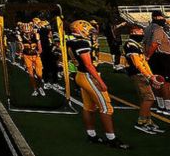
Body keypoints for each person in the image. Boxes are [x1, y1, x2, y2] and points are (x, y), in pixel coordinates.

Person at [67, 19, 129, 148]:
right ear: (81, 29)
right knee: (106, 107)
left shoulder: (72, 41)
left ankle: (91, 135)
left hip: (80, 74)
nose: (90, 32)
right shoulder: (81, 43)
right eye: (87, 29)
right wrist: (100, 81)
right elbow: (89, 65)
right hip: (88, 76)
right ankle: (111, 139)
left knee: (88, 107)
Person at [123, 24, 164, 134]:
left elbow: (144, 62)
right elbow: (137, 63)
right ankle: (141, 122)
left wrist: (151, 75)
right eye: (140, 31)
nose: (142, 33)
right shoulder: (130, 44)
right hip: (138, 74)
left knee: (145, 98)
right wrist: (148, 76)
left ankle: (147, 120)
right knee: (149, 98)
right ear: (133, 32)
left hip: (140, 73)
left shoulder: (135, 44)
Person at [144, 10, 170, 117]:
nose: (163, 19)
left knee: (156, 81)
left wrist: (147, 56)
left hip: (154, 57)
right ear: (157, 17)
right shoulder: (158, 29)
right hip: (162, 57)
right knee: (165, 82)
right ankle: (168, 107)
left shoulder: (147, 28)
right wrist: (149, 55)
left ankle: (160, 105)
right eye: (161, 17)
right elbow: (155, 44)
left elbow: (145, 43)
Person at [20, 22, 45, 97]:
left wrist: (38, 42)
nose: (27, 33)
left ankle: (40, 86)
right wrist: (22, 58)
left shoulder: (36, 36)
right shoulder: (21, 37)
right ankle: (35, 89)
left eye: (28, 31)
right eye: (25, 32)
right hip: (27, 56)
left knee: (39, 74)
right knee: (31, 74)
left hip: (36, 56)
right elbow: (21, 49)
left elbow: (40, 50)